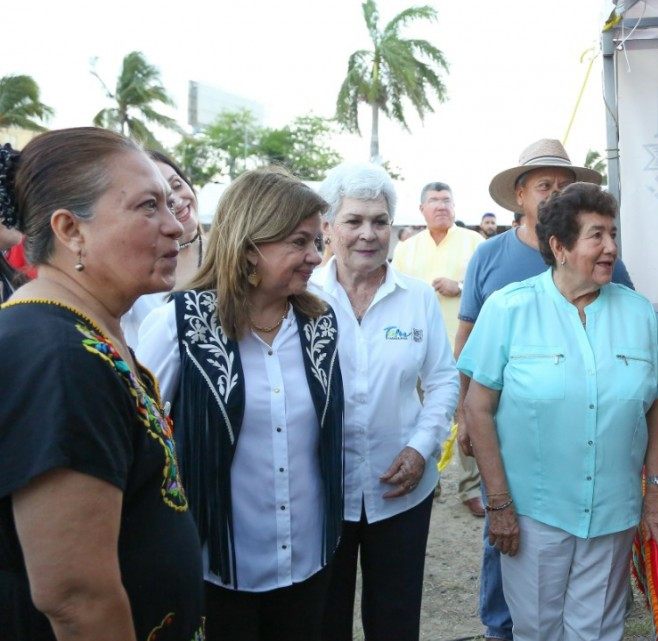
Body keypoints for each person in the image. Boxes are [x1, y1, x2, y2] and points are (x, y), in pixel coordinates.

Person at [0, 128, 204, 639]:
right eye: (147, 206)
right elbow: (74, 596)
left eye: (171, 203)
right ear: (71, 230)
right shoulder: (59, 356)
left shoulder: (83, 330)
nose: (175, 227)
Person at [458, 182, 658, 641]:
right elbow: (478, 409)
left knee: (597, 631)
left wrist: (656, 491)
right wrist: (498, 502)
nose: (611, 248)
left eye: (613, 235)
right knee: (537, 630)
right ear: (559, 246)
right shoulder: (509, 308)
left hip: (613, 511)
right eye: (596, 236)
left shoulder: (638, 313)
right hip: (536, 512)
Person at [137, 167, 343, 641]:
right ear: (251, 245)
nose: (315, 257)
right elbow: (139, 433)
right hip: (219, 566)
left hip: (308, 558)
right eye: (300, 242)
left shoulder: (321, 324)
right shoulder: (180, 325)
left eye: (317, 241)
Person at [312, 162, 458, 641]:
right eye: (353, 221)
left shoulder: (416, 299)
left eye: (380, 221)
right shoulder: (303, 296)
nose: (368, 234)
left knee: (395, 619)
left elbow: (442, 381)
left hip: (400, 492)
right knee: (322, 617)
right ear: (328, 227)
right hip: (320, 492)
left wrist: (421, 448)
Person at [391, 181, 485, 516]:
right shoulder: (407, 248)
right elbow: (394, 292)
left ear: (455, 207)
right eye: (433, 200)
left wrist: (457, 286)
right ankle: (431, 479)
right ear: (422, 209)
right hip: (416, 344)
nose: (441, 205)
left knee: (468, 414)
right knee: (418, 414)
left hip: (464, 343)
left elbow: (487, 288)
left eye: (447, 200)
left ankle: (471, 488)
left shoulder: (474, 242)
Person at [121, 151, 206, 346]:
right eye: (152, 201)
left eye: (177, 185)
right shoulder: (130, 269)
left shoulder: (230, 255)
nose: (175, 200)